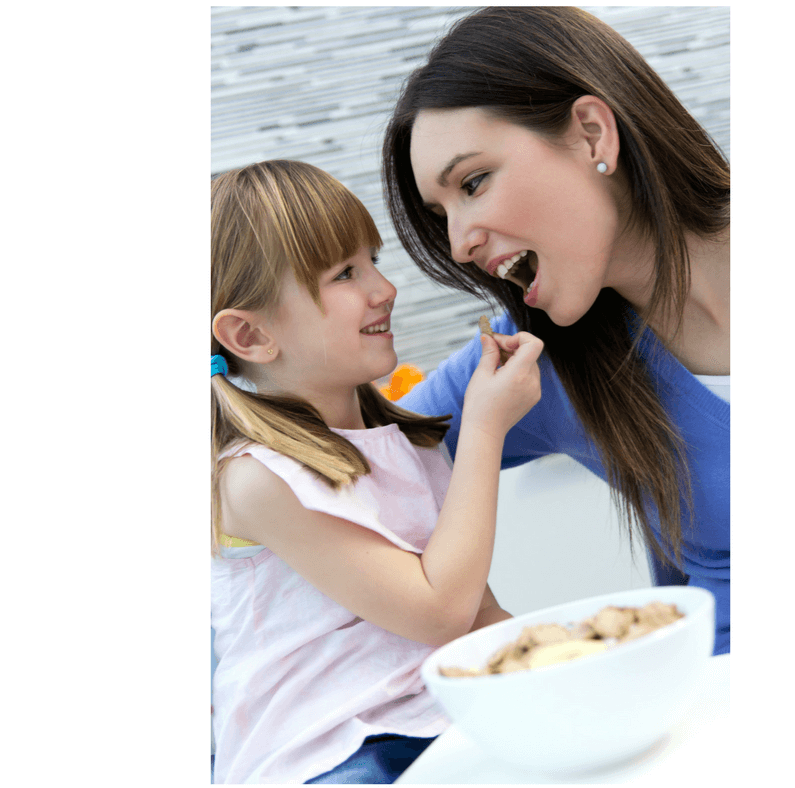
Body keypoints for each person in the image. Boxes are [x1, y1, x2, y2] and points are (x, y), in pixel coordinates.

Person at [383, 7, 731, 654]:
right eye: (442, 212)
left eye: (474, 182)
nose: (459, 245)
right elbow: (336, 462)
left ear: (593, 135)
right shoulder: (536, 364)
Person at [210, 159, 543, 783]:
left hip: (437, 721)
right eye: (344, 274)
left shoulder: (409, 443)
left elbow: (475, 611)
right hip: (325, 753)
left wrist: (564, 664)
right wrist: (484, 429)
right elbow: (436, 611)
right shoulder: (257, 479)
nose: (384, 288)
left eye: (372, 260)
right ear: (249, 334)